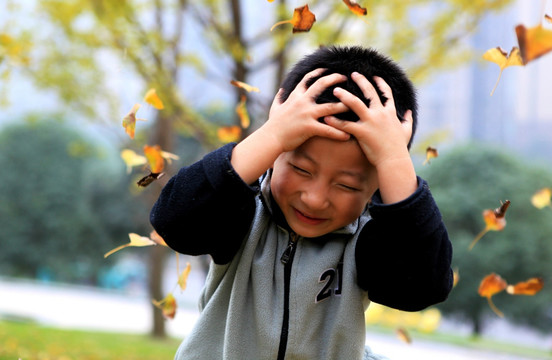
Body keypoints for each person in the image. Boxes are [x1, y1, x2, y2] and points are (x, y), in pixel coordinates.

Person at [150, 45, 453, 360]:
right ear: (274, 156)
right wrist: (272, 134)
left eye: (346, 184)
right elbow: (175, 222)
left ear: (377, 186)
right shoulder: (241, 210)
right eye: (300, 169)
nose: (315, 199)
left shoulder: (369, 239)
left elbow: (423, 285)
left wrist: (393, 158)